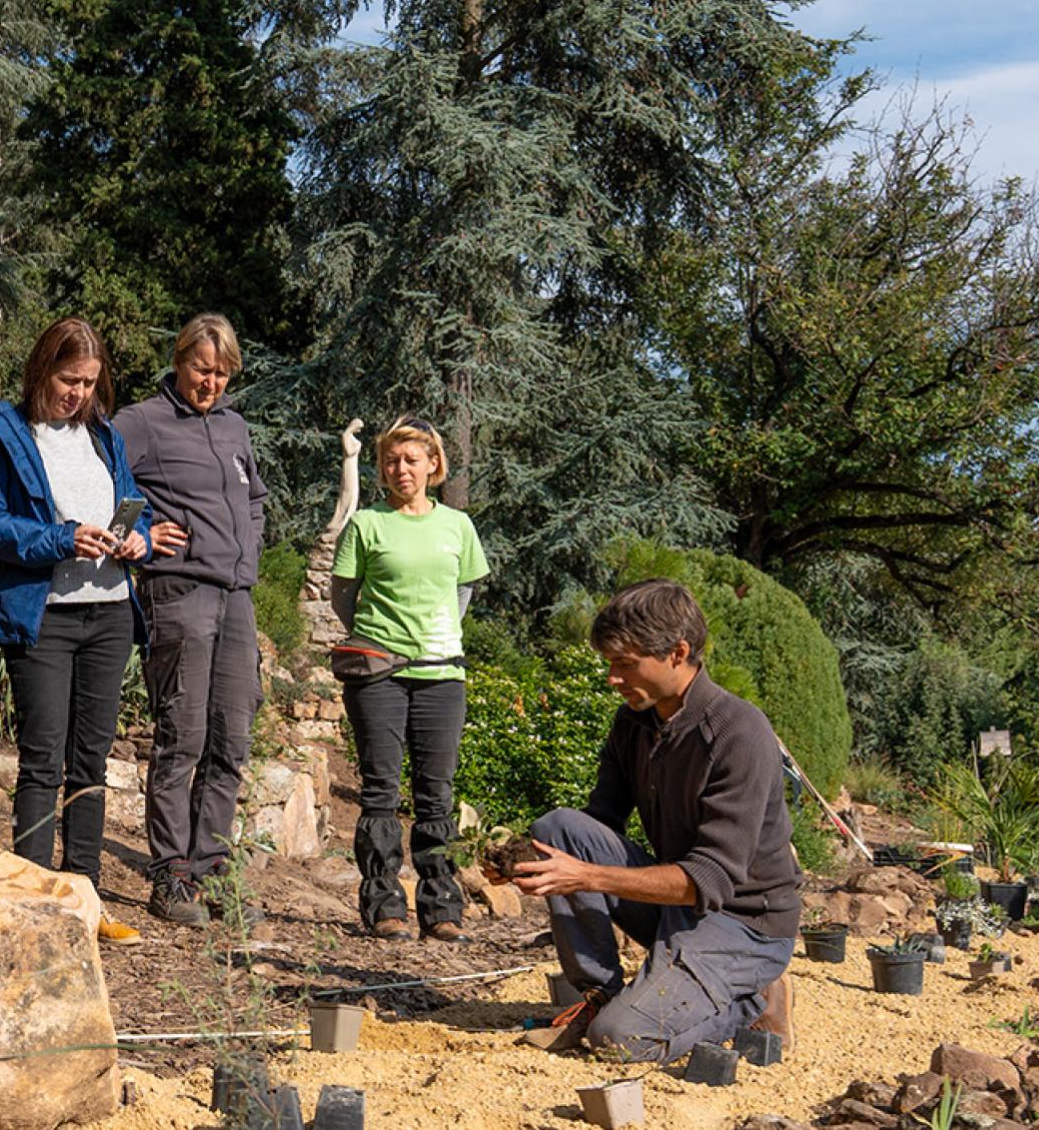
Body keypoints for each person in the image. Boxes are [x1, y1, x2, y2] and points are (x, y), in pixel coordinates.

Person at [511, 579, 801, 1062]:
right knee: (556, 832)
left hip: (743, 926)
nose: (612, 677)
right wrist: (528, 861)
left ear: (677, 652)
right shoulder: (635, 723)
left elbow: (709, 879)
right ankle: (598, 994)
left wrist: (583, 876)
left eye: (625, 664)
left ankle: (753, 997)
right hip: (676, 908)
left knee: (619, 1039)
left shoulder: (740, 732)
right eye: (610, 663)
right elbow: (597, 824)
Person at [0, 318, 160, 946]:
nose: (78, 394)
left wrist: (139, 537)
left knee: (90, 762)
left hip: (108, 612)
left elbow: (137, 506)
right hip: (43, 613)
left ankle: (84, 896)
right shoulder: (5, 435)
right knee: (43, 759)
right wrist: (60, 538)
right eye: (68, 380)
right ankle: (30, 896)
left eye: (89, 383)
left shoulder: (105, 439)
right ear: (42, 369)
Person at [110, 314, 266, 927]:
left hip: (238, 596)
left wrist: (248, 550)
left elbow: (254, 498)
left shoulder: (233, 426)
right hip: (180, 592)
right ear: (179, 361)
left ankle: (214, 871)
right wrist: (139, 536)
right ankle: (171, 873)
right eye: (203, 369)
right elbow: (99, 486)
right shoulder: (142, 422)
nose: (212, 383)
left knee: (232, 739)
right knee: (185, 735)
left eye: (223, 373)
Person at [330, 420, 487, 940]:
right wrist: (381, 638)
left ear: (434, 466)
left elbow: (462, 592)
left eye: (412, 460)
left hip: (442, 675)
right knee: (379, 790)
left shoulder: (458, 527)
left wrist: (434, 636)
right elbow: (343, 597)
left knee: (435, 795)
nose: (402, 470)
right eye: (393, 461)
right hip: (378, 674)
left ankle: (442, 909)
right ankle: (384, 907)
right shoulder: (367, 525)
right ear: (383, 468)